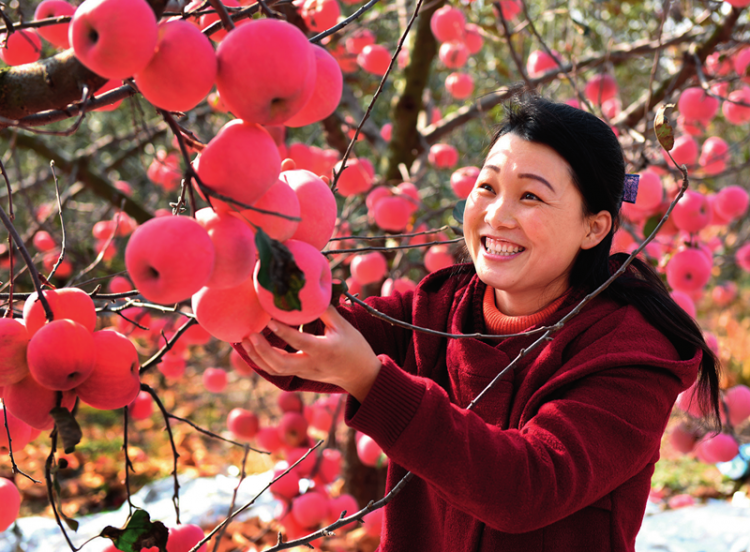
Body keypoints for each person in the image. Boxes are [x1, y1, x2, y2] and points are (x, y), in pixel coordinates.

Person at [235, 94, 721, 552]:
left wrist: (370, 380)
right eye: (487, 187)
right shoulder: (439, 309)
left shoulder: (631, 353)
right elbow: (295, 349)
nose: (496, 214)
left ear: (594, 227)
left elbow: (527, 486)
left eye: (530, 197)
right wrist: (247, 248)